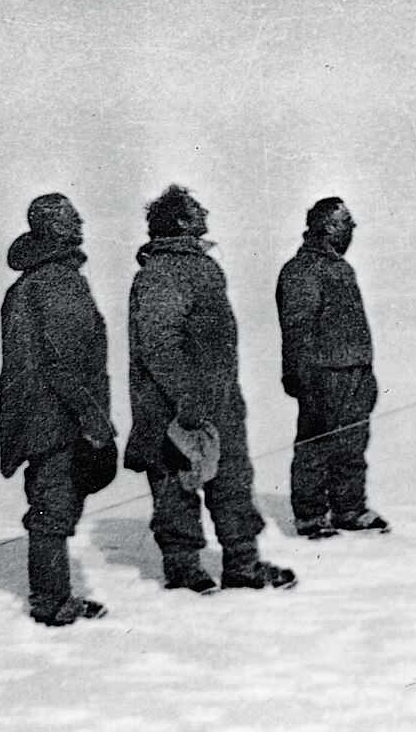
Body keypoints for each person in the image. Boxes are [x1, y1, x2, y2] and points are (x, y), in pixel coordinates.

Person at [123, 185, 296, 593]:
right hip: (171, 407)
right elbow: (160, 342)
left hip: (218, 402)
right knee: (175, 486)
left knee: (233, 480)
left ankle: (243, 564)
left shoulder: (203, 268)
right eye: (197, 208)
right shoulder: (160, 272)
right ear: (181, 220)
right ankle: (183, 570)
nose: (206, 211)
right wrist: (187, 398)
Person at [0, 194, 114, 626]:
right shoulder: (59, 282)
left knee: (52, 505)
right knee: (53, 509)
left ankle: (54, 595)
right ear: (53, 227)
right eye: (71, 216)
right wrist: (94, 420)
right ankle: (51, 602)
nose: (80, 220)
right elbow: (64, 364)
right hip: (58, 420)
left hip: (40, 418)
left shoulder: (31, 282)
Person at [275, 197, 389, 539]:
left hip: (353, 371)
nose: (352, 230)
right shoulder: (302, 270)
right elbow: (297, 327)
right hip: (321, 373)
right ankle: (310, 516)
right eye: (346, 222)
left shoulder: (341, 267)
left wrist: (364, 371)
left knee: (352, 443)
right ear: (328, 226)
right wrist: (302, 376)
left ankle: (349, 508)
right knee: (316, 444)